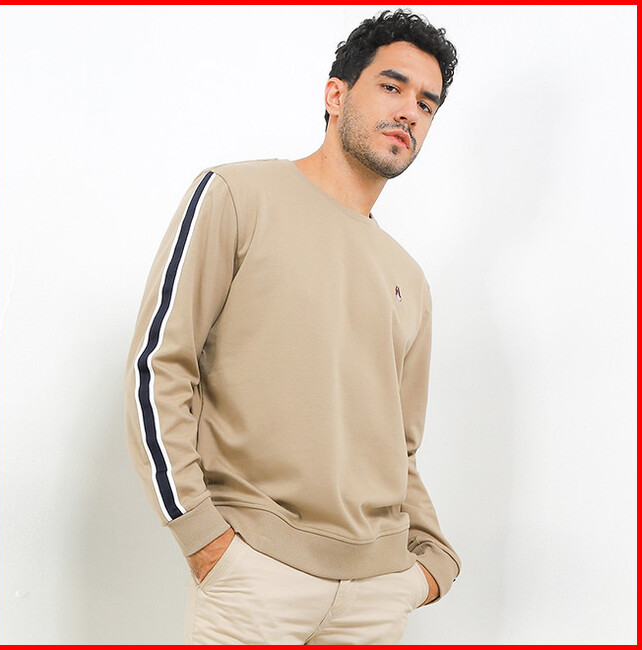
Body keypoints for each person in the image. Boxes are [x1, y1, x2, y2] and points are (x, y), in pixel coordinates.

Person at [125, 8, 461, 645]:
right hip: (253, 577)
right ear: (336, 94)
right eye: (391, 86)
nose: (410, 112)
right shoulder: (236, 195)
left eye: (427, 103)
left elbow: (400, 447)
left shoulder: (409, 279)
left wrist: (430, 565)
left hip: (374, 595)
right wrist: (202, 536)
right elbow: (159, 367)